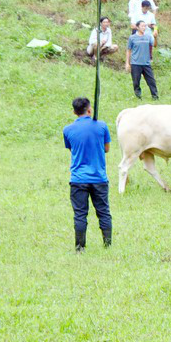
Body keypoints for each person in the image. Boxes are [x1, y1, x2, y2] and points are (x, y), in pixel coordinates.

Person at [63, 97, 111, 252]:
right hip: (99, 178)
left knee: (80, 214)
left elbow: (72, 150)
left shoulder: (68, 130)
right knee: (103, 212)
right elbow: (107, 148)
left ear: (74, 112)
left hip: (78, 179)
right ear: (89, 110)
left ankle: (79, 247)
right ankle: (107, 244)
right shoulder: (102, 126)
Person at [125, 20, 158, 100]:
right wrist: (127, 63)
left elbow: (155, 45)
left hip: (146, 63)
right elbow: (128, 50)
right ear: (137, 27)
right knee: (136, 81)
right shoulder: (132, 38)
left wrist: (156, 37)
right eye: (142, 26)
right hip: (135, 63)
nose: (144, 28)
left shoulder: (148, 36)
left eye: (145, 26)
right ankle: (138, 96)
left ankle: (155, 96)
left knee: (151, 81)